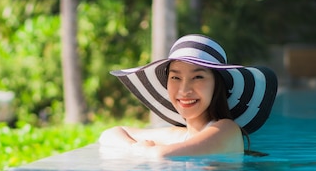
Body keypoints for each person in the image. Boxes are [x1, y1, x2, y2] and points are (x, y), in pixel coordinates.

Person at [98, 34, 278, 158]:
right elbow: (110, 134)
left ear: (218, 85)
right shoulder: (181, 136)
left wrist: (146, 150)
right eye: (176, 77)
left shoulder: (226, 130)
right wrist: (135, 148)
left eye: (198, 77)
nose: (184, 90)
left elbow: (161, 156)